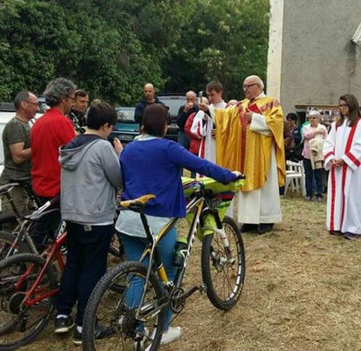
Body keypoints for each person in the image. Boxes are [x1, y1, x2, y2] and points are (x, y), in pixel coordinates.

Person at [116, 104, 240, 346]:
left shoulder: (129, 150)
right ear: (165, 126)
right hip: (158, 221)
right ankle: (161, 330)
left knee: (136, 275)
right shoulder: (168, 147)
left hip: (128, 219)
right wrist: (228, 175)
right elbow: (201, 165)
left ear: (142, 125)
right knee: (169, 274)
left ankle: (134, 327)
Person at [54, 103, 123, 344]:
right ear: (105, 126)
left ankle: (62, 315)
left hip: (72, 214)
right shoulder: (102, 147)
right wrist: (120, 153)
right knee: (92, 270)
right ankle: (85, 325)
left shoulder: (70, 146)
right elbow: (117, 177)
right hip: (96, 216)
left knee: (73, 264)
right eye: (110, 126)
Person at [214, 75, 285, 235]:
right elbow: (226, 117)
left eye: (248, 86)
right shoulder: (242, 104)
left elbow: (277, 123)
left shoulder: (271, 102)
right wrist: (210, 110)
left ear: (258, 86)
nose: (245, 89)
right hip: (245, 153)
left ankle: (267, 220)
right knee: (245, 184)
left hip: (263, 153)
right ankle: (249, 220)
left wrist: (255, 118)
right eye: (243, 86)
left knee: (265, 186)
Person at [31, 78, 77, 242]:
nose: (73, 104)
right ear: (63, 98)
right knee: (45, 235)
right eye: (72, 99)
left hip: (40, 182)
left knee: (44, 230)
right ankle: (34, 264)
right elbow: (77, 154)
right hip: (56, 186)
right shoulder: (62, 122)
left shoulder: (39, 122)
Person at [323, 94, 361, 240]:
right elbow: (328, 143)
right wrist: (331, 158)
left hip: (350, 169)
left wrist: (344, 159)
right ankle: (336, 225)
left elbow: (360, 147)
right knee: (336, 196)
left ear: (352, 106)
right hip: (337, 168)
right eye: (340, 105)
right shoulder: (336, 125)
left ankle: (353, 227)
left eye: (345, 105)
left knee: (351, 196)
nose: (342, 108)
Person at [0, 91, 39, 214]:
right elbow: (18, 156)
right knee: (13, 225)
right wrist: (40, 146)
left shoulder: (28, 124)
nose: (37, 108)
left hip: (25, 183)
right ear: (24, 104)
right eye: (35, 104)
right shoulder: (15, 125)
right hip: (14, 185)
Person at [302, 110, 327, 202]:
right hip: (307, 154)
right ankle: (309, 193)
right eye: (310, 118)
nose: (312, 119)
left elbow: (326, 139)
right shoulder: (306, 127)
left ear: (318, 119)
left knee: (318, 175)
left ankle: (319, 194)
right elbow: (306, 136)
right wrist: (316, 132)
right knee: (308, 175)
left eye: (314, 118)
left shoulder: (323, 127)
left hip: (318, 155)